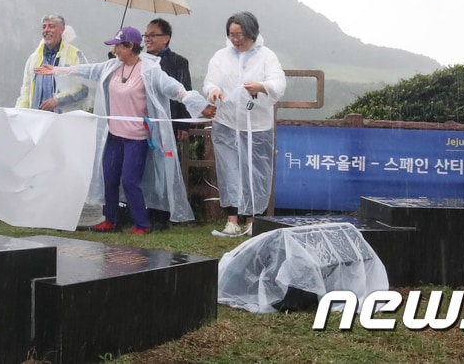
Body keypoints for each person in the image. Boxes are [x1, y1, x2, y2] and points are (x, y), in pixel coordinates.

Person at [37, 26, 209, 234]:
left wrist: (198, 105)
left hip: (137, 138)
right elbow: (87, 70)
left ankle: (142, 224)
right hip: (114, 136)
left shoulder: (149, 70)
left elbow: (174, 88)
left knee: (130, 180)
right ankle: (110, 219)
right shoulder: (112, 67)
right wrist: (55, 70)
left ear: (130, 47)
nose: (115, 50)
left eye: (118, 45)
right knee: (109, 177)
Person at [202, 12, 286, 237]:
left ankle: (252, 219)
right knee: (229, 169)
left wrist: (261, 86)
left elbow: (278, 83)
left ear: (251, 32)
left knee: (255, 172)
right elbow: (210, 82)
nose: (236, 39)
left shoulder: (267, 56)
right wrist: (214, 91)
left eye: (240, 34)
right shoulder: (220, 56)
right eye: (232, 35)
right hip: (227, 122)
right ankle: (231, 219)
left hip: (256, 126)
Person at [142, 18, 193, 231]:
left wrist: (184, 125)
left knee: (165, 168)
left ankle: (163, 213)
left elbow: (184, 92)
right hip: (143, 121)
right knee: (144, 167)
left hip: (167, 123)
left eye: (153, 35)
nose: (148, 39)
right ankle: (142, 209)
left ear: (166, 38)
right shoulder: (140, 61)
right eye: (146, 35)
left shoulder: (178, 62)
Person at [16, 14, 88, 112]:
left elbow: (83, 89)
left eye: (51, 26)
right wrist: (20, 113)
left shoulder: (75, 55)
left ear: (62, 30)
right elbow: (26, 91)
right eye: (44, 27)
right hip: (36, 119)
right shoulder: (34, 59)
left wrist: (57, 101)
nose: (46, 30)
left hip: (63, 121)